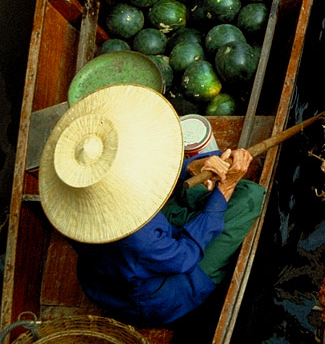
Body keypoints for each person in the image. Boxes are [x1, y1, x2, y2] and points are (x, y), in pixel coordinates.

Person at [38, 85, 266, 325]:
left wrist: (192, 166)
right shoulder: (140, 237)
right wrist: (226, 189)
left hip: (106, 275)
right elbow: (184, 257)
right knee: (250, 196)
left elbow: (155, 166)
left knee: (201, 190)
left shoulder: (67, 197)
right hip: (154, 293)